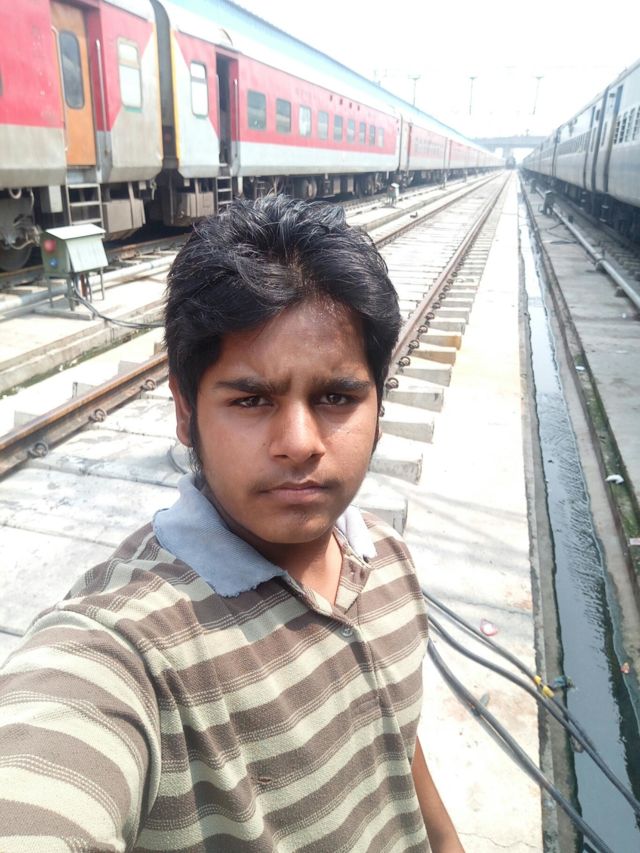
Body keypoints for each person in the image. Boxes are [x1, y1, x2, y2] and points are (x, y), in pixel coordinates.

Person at [0, 196, 464, 852]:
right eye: (251, 400)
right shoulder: (130, 650)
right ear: (185, 412)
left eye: (336, 397)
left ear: (377, 407)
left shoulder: (388, 558)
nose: (299, 443)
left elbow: (397, 743)